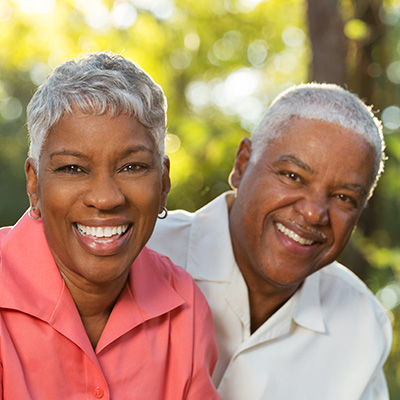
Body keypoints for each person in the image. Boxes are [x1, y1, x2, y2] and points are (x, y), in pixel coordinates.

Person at [147, 83, 393, 400]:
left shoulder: (362, 325)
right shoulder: (141, 253)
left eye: (344, 197)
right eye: (292, 176)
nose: (313, 212)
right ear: (241, 164)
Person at [0, 51, 220, 399]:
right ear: (34, 184)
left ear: (163, 184)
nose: (105, 199)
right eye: (72, 168)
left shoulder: (184, 306)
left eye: (132, 167)